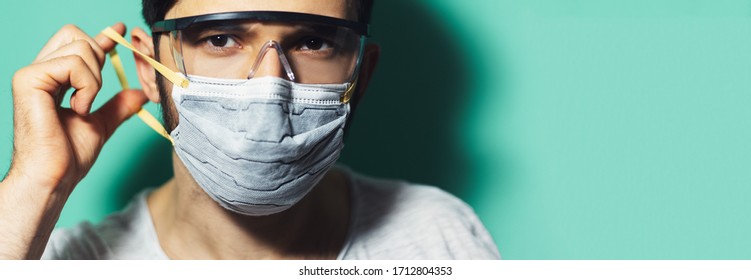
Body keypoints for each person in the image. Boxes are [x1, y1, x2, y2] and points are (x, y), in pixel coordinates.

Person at [0, 0, 500, 259]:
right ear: (150, 68)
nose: (270, 87)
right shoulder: (52, 259)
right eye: (220, 38)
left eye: (313, 43)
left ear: (360, 77)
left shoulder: (437, 238)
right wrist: (33, 188)